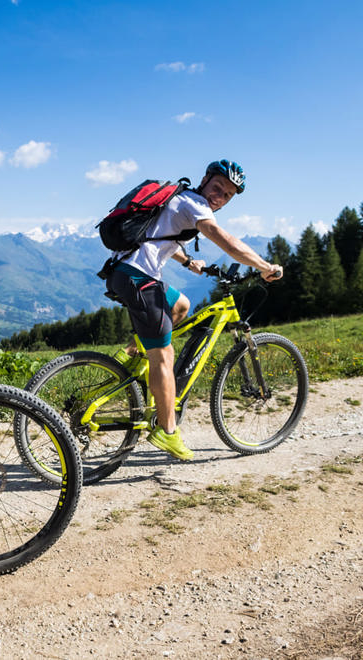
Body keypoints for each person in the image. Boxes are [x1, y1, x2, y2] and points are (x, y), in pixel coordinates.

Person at [105, 159, 283, 460]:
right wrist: (265, 266)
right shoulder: (194, 203)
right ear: (205, 180)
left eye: (227, 195)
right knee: (164, 354)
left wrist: (188, 262)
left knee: (182, 306)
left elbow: (160, 236)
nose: (220, 197)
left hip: (128, 272)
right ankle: (167, 431)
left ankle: (131, 354)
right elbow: (225, 240)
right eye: (218, 188)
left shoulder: (178, 198)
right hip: (139, 278)